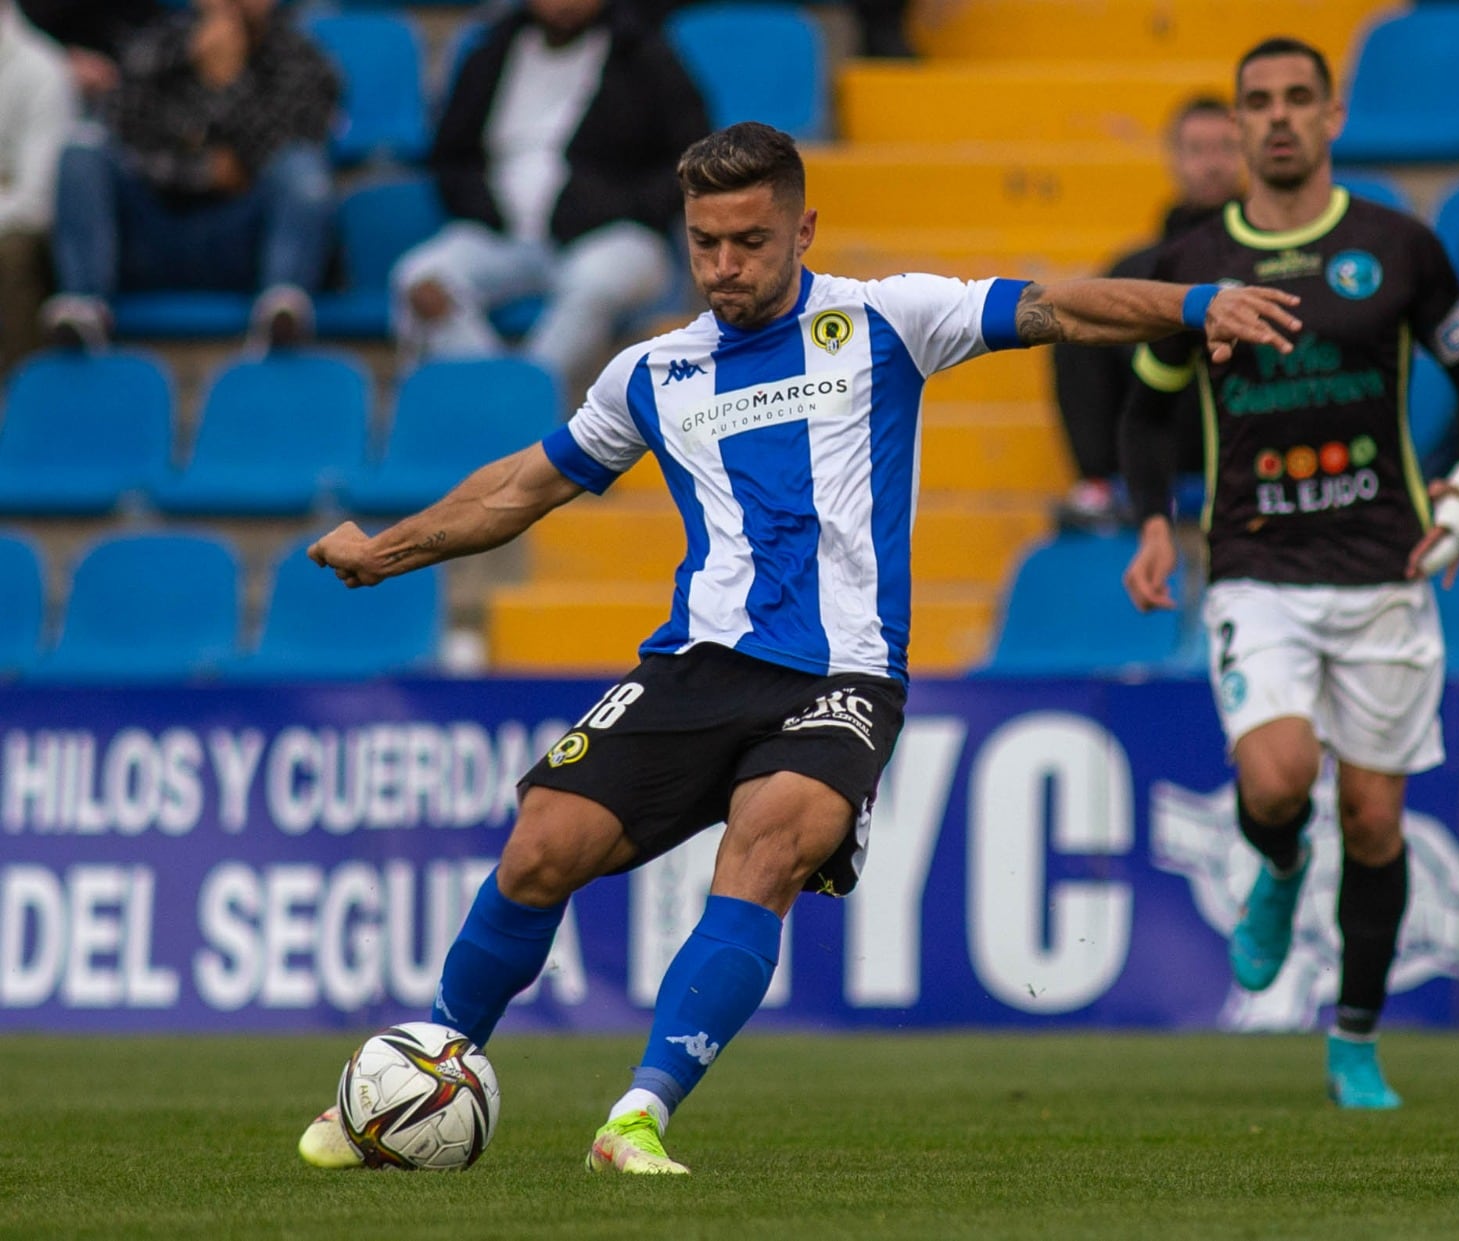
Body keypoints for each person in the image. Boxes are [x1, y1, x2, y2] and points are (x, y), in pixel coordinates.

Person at [296, 120, 1299, 1174]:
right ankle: (424, 1071)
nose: (724, 266)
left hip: (841, 672)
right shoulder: (653, 372)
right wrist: (387, 548)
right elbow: (522, 485)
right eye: (704, 243)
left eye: (749, 241)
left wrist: (1197, 305)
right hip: (697, 661)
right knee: (541, 841)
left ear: (802, 228)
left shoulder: (888, 321)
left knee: (772, 838)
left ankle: (635, 1116)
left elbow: (1055, 302)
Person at [1120, 38, 1459, 1109]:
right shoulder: (1192, 265)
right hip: (1254, 566)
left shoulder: (1400, 248)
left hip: (1384, 567)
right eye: (1258, 102)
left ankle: (1354, 1037)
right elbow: (1143, 410)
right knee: (1279, 778)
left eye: (1298, 99)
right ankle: (1279, 869)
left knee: (1377, 822)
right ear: (1235, 125)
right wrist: (1154, 522)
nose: (1279, 118)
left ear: (1334, 117)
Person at [392, 0, 709, 395]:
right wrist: (480, 205)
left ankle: (526, 404)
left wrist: (620, 207)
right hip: (503, 237)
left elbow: (691, 160)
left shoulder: (644, 54)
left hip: (615, 237)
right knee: (420, 280)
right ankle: (508, 399)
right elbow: (451, 156)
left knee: (593, 282)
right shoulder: (491, 51)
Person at [40, 0, 338, 352]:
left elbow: (281, 145)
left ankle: (280, 308)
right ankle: (85, 305)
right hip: (155, 232)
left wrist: (227, 83)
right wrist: (203, 170)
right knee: (82, 150)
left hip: (243, 242)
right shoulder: (155, 50)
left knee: (301, 166)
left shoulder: (303, 60)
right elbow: (124, 131)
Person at [1053, 95, 1243, 526]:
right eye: (1197, 150)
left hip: (1247, 436)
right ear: (1174, 159)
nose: (1212, 164)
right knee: (1076, 322)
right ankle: (1101, 485)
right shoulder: (1135, 268)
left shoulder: (1274, 259)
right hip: (1160, 435)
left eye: (1225, 148)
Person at [0, 1, 74, 374]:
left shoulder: (42, 68)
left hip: (23, 226)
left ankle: (20, 400)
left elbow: (36, 202)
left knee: (11, 253)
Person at [17, 0, 161, 102]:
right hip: (56, 76)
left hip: (128, 80)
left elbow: (153, 27)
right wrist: (61, 58)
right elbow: (18, 32)